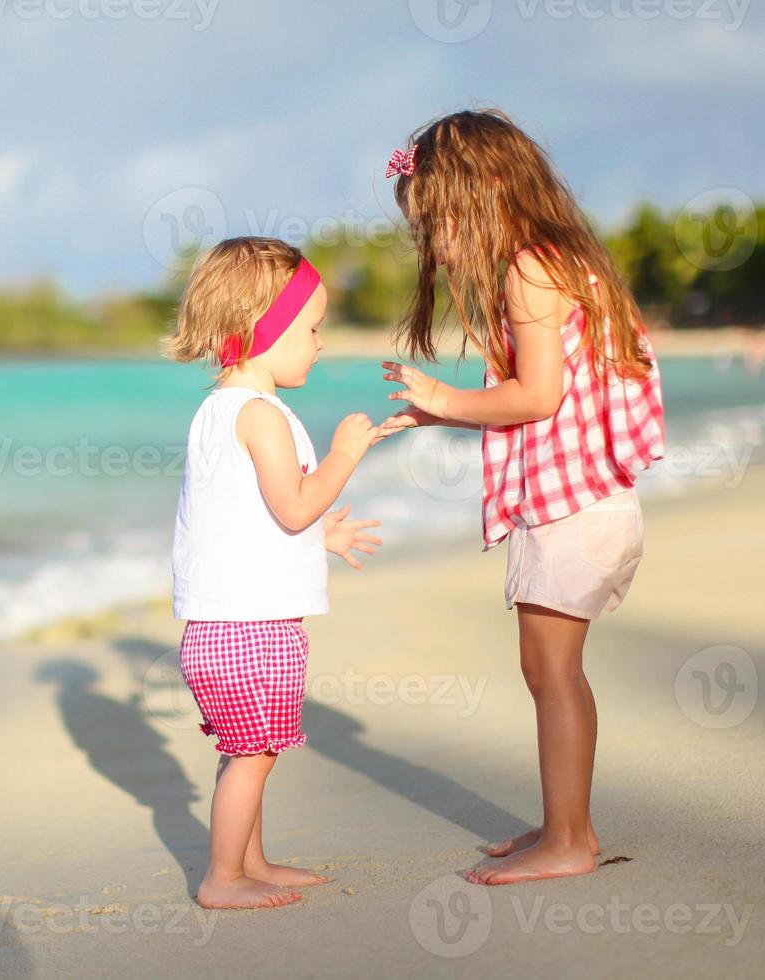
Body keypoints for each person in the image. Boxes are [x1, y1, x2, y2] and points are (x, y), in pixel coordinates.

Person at [377, 110, 666, 885]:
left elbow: (535, 397)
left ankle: (571, 841)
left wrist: (442, 399)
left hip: (572, 511)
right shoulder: (566, 259)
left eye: (438, 223)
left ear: (487, 193)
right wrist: (438, 408)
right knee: (556, 673)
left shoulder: (529, 271)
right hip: (597, 502)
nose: (435, 245)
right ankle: (565, 820)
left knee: (551, 674)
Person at [167, 237, 384, 908]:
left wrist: (325, 534)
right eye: (312, 327)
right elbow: (292, 508)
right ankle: (223, 878)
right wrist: (346, 455)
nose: (320, 343)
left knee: (247, 754)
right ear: (265, 329)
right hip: (251, 631)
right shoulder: (261, 417)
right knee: (255, 757)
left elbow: (248, 523)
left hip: (219, 628)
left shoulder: (217, 412)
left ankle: (250, 862)